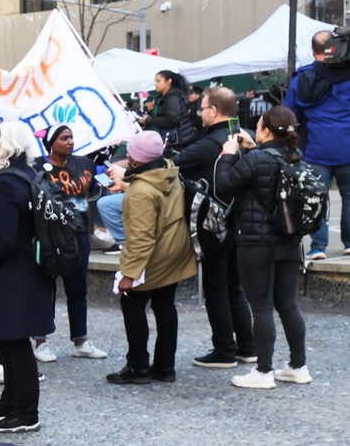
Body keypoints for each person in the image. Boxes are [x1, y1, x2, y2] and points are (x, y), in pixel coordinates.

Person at [216, 107, 311, 388]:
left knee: (261, 307)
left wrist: (228, 155)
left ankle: (264, 372)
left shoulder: (255, 159)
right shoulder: (294, 156)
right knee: (288, 304)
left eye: (258, 126)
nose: (255, 130)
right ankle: (298, 366)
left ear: (267, 131)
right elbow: (269, 169)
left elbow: (223, 187)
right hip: (289, 240)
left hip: (256, 242)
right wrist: (253, 147)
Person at [0, 122, 56, 433]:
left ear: (0, 146)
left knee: (15, 345)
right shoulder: (27, 174)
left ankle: (26, 413)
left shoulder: (5, 183)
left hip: (9, 274)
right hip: (24, 270)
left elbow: (4, 237)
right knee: (6, 342)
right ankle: (10, 403)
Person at [171, 87, 256, 368]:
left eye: (202, 109)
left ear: (214, 111)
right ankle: (247, 346)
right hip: (243, 224)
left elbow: (171, 165)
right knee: (234, 287)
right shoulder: (245, 137)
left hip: (215, 225)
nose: (199, 113)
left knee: (216, 288)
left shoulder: (210, 144)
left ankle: (224, 350)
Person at [106, 129, 198, 385]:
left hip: (153, 258)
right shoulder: (168, 170)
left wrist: (129, 274)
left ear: (135, 159)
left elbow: (141, 238)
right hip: (174, 252)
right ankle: (165, 366)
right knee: (165, 306)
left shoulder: (141, 192)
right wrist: (128, 184)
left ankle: (138, 366)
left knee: (133, 306)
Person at [31, 126, 110, 362]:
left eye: (72, 137)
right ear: (51, 143)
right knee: (44, 288)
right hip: (50, 236)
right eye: (64, 138)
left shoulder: (84, 164)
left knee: (78, 289)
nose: (70, 141)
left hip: (78, 236)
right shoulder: (37, 166)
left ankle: (80, 341)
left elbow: (96, 187)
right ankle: (40, 342)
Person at [283, 27, 350, 259]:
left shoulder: (303, 77)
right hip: (348, 147)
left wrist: (291, 142)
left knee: (315, 197)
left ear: (313, 51)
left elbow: (289, 115)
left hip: (315, 149)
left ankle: (318, 246)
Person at [143, 70, 190, 144]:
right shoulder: (162, 97)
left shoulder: (173, 98)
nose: (155, 84)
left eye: (158, 81)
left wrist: (149, 120)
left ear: (169, 81)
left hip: (176, 140)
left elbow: (172, 120)